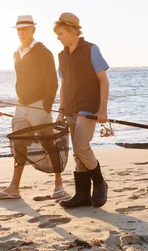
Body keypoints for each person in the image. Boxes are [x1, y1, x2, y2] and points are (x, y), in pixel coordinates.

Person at [0, 15, 64, 200]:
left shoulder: (43, 51)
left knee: (48, 143)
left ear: (33, 30)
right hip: (20, 105)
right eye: (19, 30)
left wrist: (46, 106)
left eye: (25, 29)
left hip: (39, 106)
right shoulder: (17, 53)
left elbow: (52, 82)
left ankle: (58, 185)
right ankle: (14, 188)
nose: (21, 33)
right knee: (18, 144)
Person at [53, 12, 110, 208]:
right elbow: (63, 85)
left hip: (88, 108)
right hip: (69, 108)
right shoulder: (61, 55)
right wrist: (60, 110)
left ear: (71, 30)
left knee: (81, 147)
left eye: (60, 33)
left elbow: (103, 80)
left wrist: (103, 110)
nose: (58, 37)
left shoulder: (91, 49)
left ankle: (100, 182)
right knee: (78, 154)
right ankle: (82, 194)